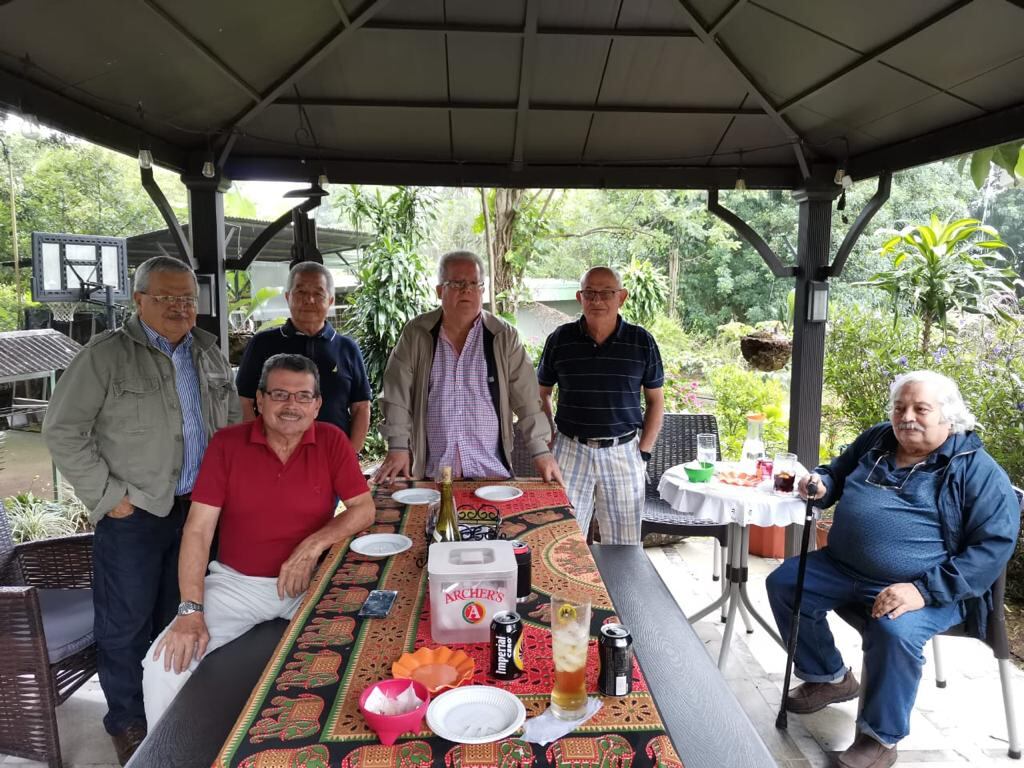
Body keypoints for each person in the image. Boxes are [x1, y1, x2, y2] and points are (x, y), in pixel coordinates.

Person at [766, 370, 1020, 768]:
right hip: (842, 566)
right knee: (785, 583)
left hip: (926, 586)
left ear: (948, 417)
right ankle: (829, 677)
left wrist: (923, 590)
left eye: (921, 409)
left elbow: (993, 547)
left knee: (892, 630)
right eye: (901, 407)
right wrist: (821, 483)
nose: (907, 417)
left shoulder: (977, 470)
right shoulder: (879, 439)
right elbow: (838, 470)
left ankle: (879, 739)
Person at [42, 255, 239, 765]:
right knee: (126, 623)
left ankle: (173, 710)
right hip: (135, 512)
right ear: (139, 300)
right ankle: (128, 723)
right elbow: (62, 430)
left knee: (185, 613)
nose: (180, 308)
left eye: (189, 299)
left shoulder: (208, 351)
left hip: (198, 510)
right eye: (167, 298)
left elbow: (232, 421)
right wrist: (111, 499)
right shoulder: (106, 355)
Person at [141, 353, 375, 726]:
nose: (291, 406)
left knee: (359, 653)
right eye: (280, 394)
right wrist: (190, 611)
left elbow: (363, 509)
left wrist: (309, 547)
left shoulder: (331, 440)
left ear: (317, 405)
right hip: (238, 583)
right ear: (260, 400)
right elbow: (198, 530)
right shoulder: (227, 444)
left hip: (310, 584)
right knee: (162, 666)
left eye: (302, 397)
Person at [374, 250, 562, 484]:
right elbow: (396, 393)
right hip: (434, 473)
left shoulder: (503, 336)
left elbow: (527, 399)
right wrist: (398, 445)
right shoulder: (417, 334)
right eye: (457, 283)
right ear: (440, 290)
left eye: (474, 283)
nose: (467, 290)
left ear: (482, 290)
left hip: (491, 472)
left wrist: (540, 450)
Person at [536, 266, 665, 544]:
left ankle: (620, 590)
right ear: (579, 297)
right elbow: (542, 393)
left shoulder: (642, 342)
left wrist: (643, 452)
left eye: (606, 293)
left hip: (623, 453)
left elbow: (655, 401)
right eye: (590, 293)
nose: (597, 300)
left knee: (624, 547)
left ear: (622, 297)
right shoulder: (560, 340)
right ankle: (568, 590)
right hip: (570, 452)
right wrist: (549, 437)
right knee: (564, 543)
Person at [236, 261, 372, 452]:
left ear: (331, 300)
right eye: (300, 292)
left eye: (318, 293)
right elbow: (244, 401)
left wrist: (349, 456)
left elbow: (361, 407)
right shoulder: (262, 343)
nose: (309, 300)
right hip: (274, 456)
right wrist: (257, 451)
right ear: (287, 297)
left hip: (332, 457)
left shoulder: (347, 348)